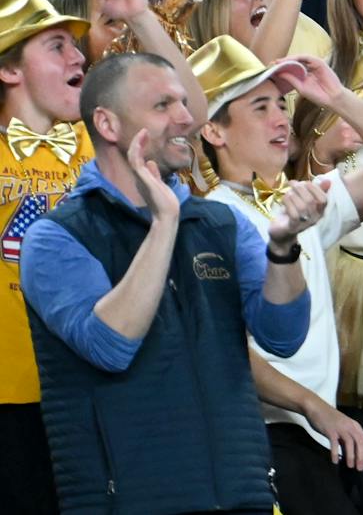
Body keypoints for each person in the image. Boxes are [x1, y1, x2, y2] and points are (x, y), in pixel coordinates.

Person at [20, 46, 320, 515]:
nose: (186, 118)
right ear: (108, 124)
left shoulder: (220, 223)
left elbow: (283, 337)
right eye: (163, 105)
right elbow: (110, 345)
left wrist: (283, 250)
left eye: (183, 102)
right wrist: (163, 224)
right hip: (126, 503)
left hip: (243, 495)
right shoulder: (55, 237)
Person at [0, 0, 191, 515]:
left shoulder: (101, 139)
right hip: (9, 390)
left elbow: (186, 112)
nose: (76, 53)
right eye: (55, 45)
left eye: (75, 43)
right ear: (9, 70)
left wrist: (143, 17)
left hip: (106, 376)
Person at [192, 38, 363, 515]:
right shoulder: (210, 220)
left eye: (282, 105)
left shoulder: (299, 202)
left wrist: (339, 98)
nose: (281, 119)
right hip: (264, 438)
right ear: (214, 132)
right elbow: (228, 351)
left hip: (317, 434)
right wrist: (313, 406)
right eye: (260, 107)